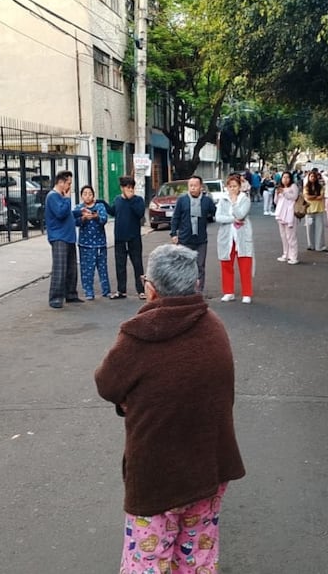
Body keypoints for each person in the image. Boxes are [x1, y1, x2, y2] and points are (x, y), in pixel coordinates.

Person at [94, 244, 246, 573]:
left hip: (157, 476)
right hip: (209, 466)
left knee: (147, 561)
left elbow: (107, 384)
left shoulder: (137, 336)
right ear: (194, 285)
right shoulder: (214, 326)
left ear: (151, 288)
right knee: (197, 557)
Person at [169, 175, 216, 293]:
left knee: (200, 266)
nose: (193, 188)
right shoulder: (182, 200)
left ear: (201, 187)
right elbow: (176, 218)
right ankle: (184, 290)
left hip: (201, 240)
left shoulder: (207, 201)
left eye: (195, 185)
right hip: (185, 239)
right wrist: (173, 234)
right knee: (184, 266)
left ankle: (199, 291)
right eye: (190, 186)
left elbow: (215, 213)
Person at [44, 170, 81, 308]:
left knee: (71, 268)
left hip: (68, 236)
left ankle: (71, 294)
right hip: (59, 236)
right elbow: (60, 213)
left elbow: (68, 214)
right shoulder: (53, 196)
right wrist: (67, 198)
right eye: (68, 183)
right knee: (60, 268)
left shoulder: (60, 196)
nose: (70, 187)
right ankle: (55, 298)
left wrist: (79, 213)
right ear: (61, 182)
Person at [215, 175, 254, 303]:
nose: (232, 189)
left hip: (242, 236)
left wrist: (234, 202)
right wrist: (232, 219)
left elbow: (241, 215)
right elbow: (218, 217)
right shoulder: (222, 200)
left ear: (239, 187)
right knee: (226, 264)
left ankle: (247, 293)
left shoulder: (245, 199)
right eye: (230, 186)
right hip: (227, 237)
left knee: (245, 264)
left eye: (235, 186)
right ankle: (228, 292)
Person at [110, 176, 146, 300]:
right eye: (127, 187)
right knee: (120, 265)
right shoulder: (117, 200)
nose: (130, 189)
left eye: (131, 187)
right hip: (120, 238)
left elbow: (140, 213)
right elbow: (113, 211)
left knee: (137, 264)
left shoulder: (138, 200)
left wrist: (131, 200)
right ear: (122, 188)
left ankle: (141, 290)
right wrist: (101, 203)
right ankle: (121, 290)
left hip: (134, 238)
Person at [73, 185, 110, 301]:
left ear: (93, 195)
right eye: (85, 194)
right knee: (86, 269)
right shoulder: (79, 208)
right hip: (85, 244)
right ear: (81, 196)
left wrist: (96, 216)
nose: (87, 196)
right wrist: (83, 218)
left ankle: (106, 290)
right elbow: (75, 222)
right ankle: (88, 291)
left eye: (90, 193)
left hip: (100, 243)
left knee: (102, 268)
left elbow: (104, 219)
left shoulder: (100, 206)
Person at [274, 171, 300, 264]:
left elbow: (294, 197)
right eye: (283, 177)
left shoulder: (293, 186)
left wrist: (284, 192)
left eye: (287, 177)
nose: (285, 179)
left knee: (291, 236)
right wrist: (277, 193)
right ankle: (285, 254)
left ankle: (293, 256)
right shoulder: (280, 188)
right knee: (283, 236)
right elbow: (276, 201)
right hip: (280, 214)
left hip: (290, 214)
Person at [303, 169, 327, 252]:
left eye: (314, 176)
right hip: (309, 211)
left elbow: (321, 197)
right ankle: (311, 245)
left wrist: (313, 197)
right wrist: (316, 196)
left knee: (320, 229)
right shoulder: (306, 187)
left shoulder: (320, 186)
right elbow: (307, 197)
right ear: (309, 177)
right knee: (309, 229)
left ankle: (319, 246)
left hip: (319, 210)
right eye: (311, 176)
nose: (313, 178)